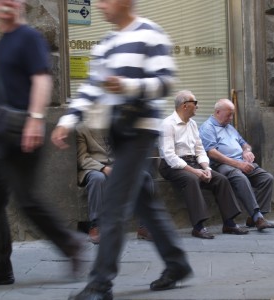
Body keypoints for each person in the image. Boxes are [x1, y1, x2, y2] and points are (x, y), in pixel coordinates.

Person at [51, 0, 191, 299]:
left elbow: (165, 83)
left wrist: (126, 86)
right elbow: (90, 87)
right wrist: (67, 120)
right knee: (143, 201)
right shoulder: (106, 44)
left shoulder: (151, 34)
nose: (99, 5)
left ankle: (101, 283)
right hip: (116, 130)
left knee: (113, 204)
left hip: (141, 130)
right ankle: (177, 262)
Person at [0, 0, 83, 287]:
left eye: (12, 0)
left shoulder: (29, 37)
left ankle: (69, 243)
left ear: (19, 5)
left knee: (25, 199)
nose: (6, 4)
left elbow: (42, 79)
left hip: (21, 126)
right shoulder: (1, 43)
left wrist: (35, 119)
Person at [158, 90, 249, 240]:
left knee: (220, 179)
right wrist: (194, 171)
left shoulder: (193, 124)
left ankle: (229, 223)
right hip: (172, 166)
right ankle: (198, 226)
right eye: (195, 103)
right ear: (185, 106)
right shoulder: (168, 124)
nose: (197, 107)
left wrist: (206, 168)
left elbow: (200, 150)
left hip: (194, 162)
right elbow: (170, 156)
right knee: (191, 179)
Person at [199, 99, 274, 231]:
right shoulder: (207, 128)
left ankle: (255, 217)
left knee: (267, 178)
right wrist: (238, 164)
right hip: (222, 164)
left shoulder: (230, 127)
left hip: (241, 161)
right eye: (228, 114)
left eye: (232, 114)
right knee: (240, 177)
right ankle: (258, 217)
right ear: (218, 112)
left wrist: (247, 151)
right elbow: (212, 153)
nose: (231, 118)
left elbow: (244, 143)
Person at [76, 124, 152, 244]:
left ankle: (144, 226)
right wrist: (103, 168)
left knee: (144, 177)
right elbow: (82, 159)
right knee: (98, 179)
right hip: (93, 169)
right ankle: (96, 225)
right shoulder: (82, 128)